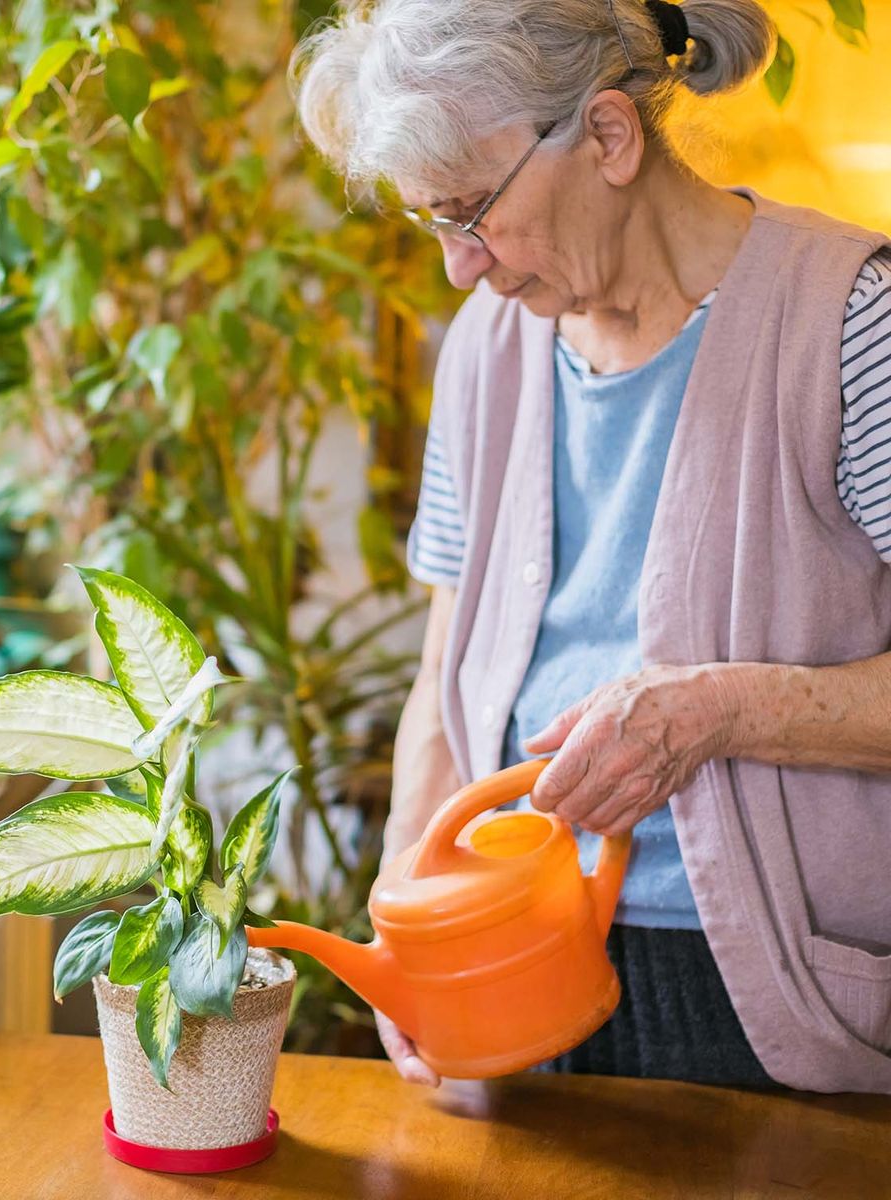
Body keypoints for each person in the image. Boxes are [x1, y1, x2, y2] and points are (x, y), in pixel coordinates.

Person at [293, 0, 891, 1092]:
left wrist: (716, 709)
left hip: (783, 1006)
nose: (459, 270)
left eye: (470, 212)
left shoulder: (851, 322)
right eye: (431, 224)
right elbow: (445, 671)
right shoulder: (484, 349)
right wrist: (404, 925)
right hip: (510, 963)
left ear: (609, 136)